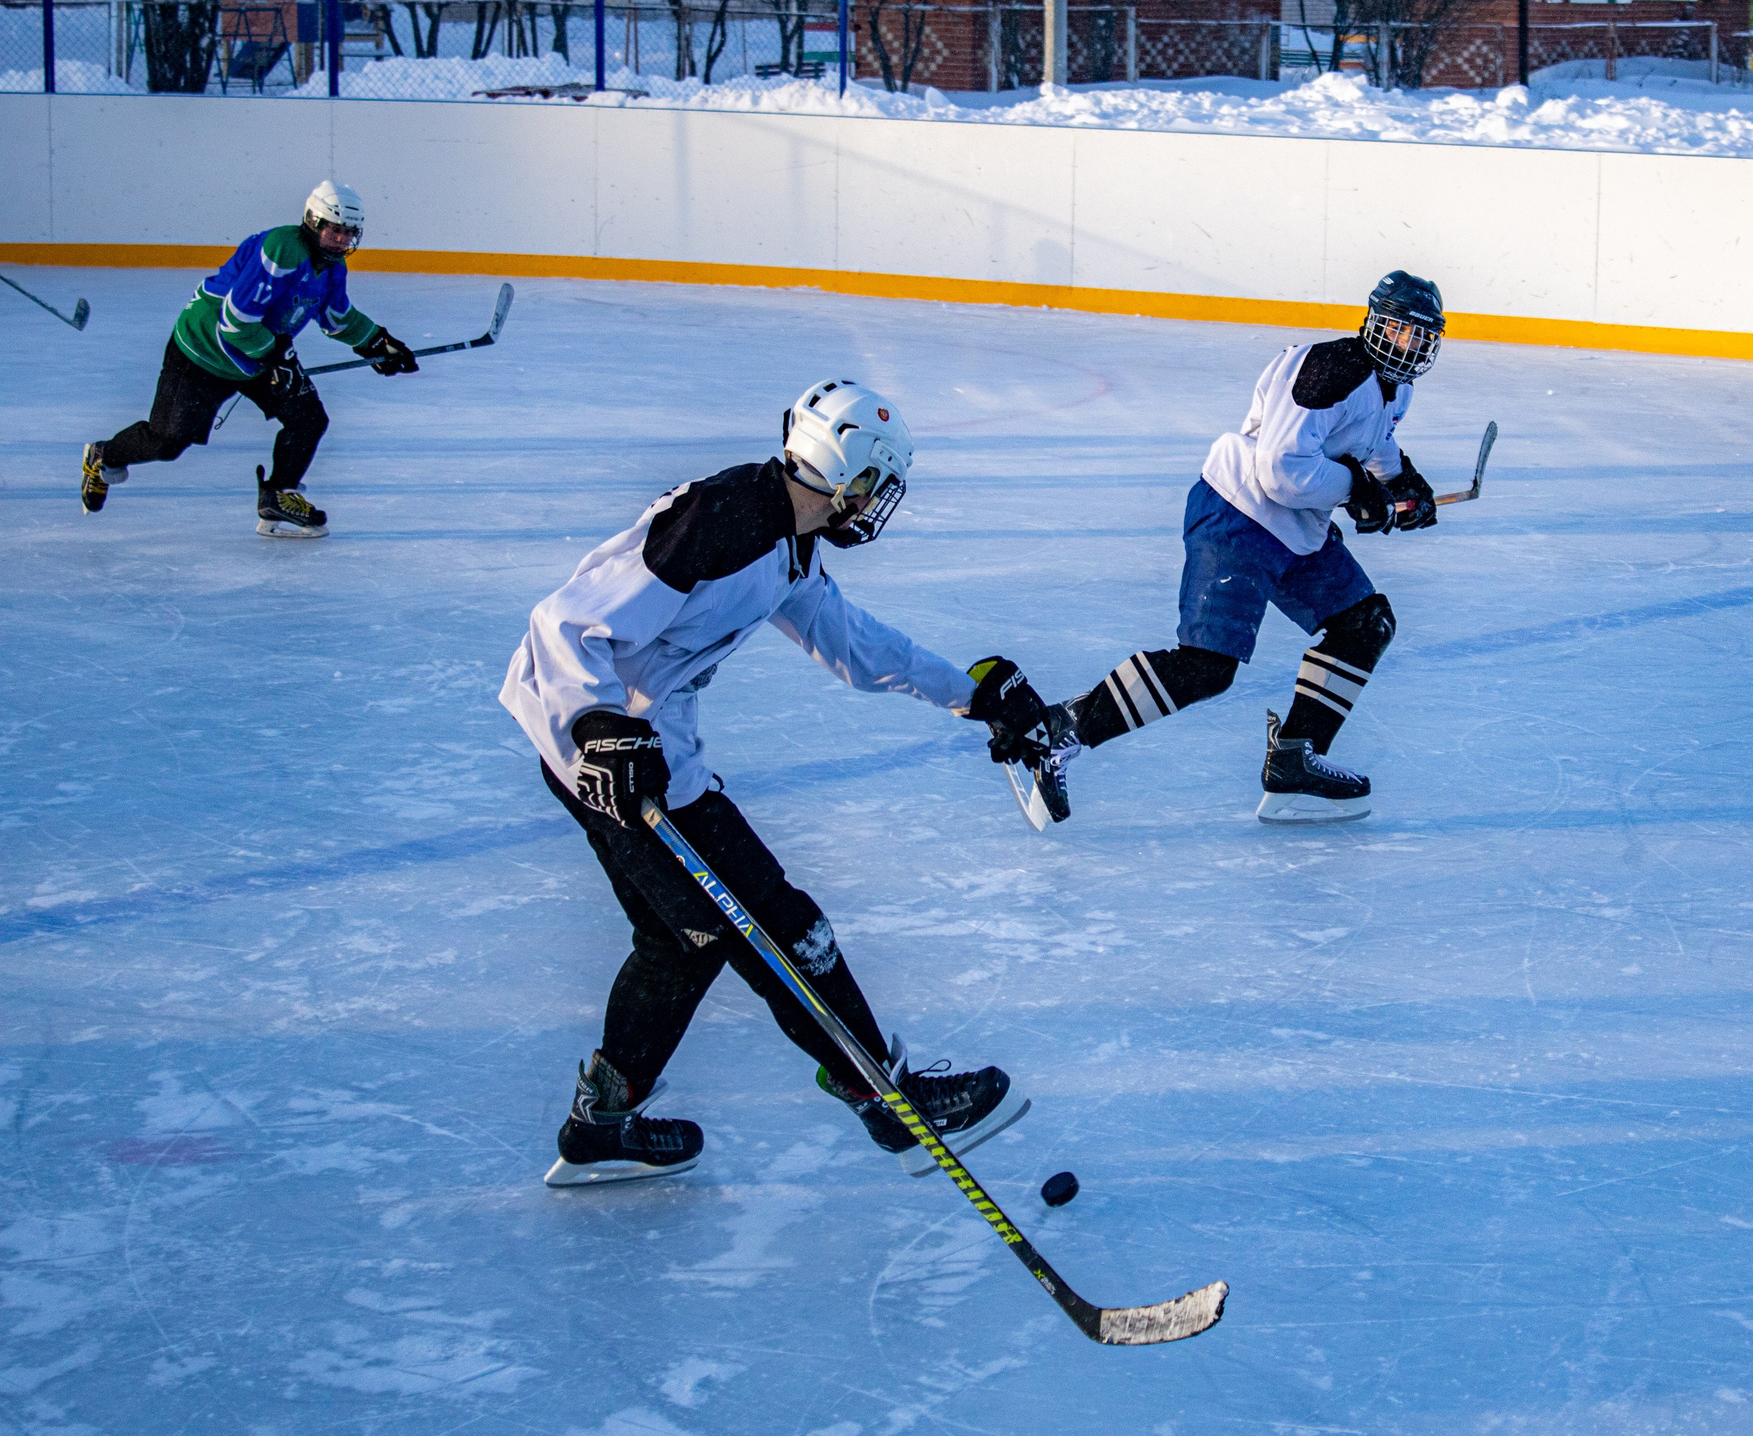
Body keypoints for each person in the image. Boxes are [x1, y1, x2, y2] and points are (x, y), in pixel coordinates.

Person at [499, 376, 1055, 1186]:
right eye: (875, 484)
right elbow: (564, 623)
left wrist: (975, 694)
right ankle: (885, 1097)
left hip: (642, 749)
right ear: (844, 472)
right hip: (603, 749)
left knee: (686, 937)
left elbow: (856, 644)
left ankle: (602, 1124)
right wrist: (598, 726)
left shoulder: (787, 540)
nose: (876, 503)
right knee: (766, 926)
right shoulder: (724, 525)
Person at [995, 272, 1446, 828]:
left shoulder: (1394, 387)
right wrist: (1359, 493)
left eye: (1418, 337)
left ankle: (1293, 762)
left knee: (1365, 624)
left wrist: (1402, 484)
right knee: (1207, 668)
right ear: (1373, 321)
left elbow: (1372, 440)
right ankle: (1061, 729)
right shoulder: (1335, 369)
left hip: (1297, 533)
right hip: (1240, 513)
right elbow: (1280, 471)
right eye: (1397, 330)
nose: (1406, 346)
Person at [80, 180, 417, 537]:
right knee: (166, 443)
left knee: (308, 418)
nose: (341, 240)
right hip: (204, 350)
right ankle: (104, 456)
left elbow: (336, 317)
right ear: (312, 222)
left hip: (261, 351)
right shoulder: (280, 251)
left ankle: (278, 497)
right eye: (334, 230)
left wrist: (378, 343)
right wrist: (276, 356)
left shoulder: (332, 268)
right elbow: (235, 323)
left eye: (349, 233)